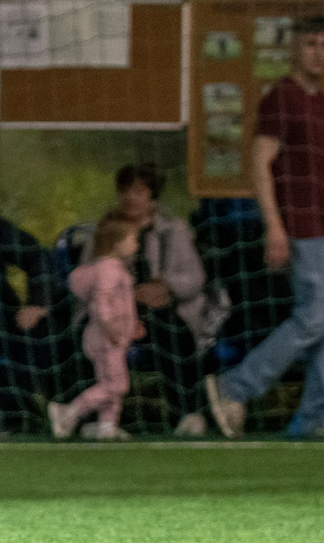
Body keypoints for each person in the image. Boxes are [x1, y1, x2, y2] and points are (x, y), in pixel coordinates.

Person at [203, 14, 324, 439]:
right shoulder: (280, 98)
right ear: (293, 47)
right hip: (301, 221)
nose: (318, 52)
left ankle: (317, 414)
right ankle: (234, 386)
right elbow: (259, 163)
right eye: (310, 44)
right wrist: (274, 225)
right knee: (312, 318)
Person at [59, 164, 220, 436]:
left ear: (152, 196)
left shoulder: (174, 229)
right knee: (88, 338)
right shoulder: (106, 230)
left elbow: (194, 277)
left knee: (175, 334)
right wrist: (124, 294)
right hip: (111, 309)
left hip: (160, 309)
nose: (130, 198)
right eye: (125, 191)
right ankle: (84, 415)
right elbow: (85, 280)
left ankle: (188, 412)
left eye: (139, 191)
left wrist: (166, 287)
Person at [48, 213, 141, 441]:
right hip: (105, 336)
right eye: (133, 240)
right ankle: (70, 411)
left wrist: (131, 324)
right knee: (117, 384)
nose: (136, 245)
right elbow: (102, 300)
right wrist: (109, 325)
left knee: (109, 381)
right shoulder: (109, 268)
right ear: (117, 243)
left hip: (112, 336)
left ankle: (107, 425)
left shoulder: (113, 267)